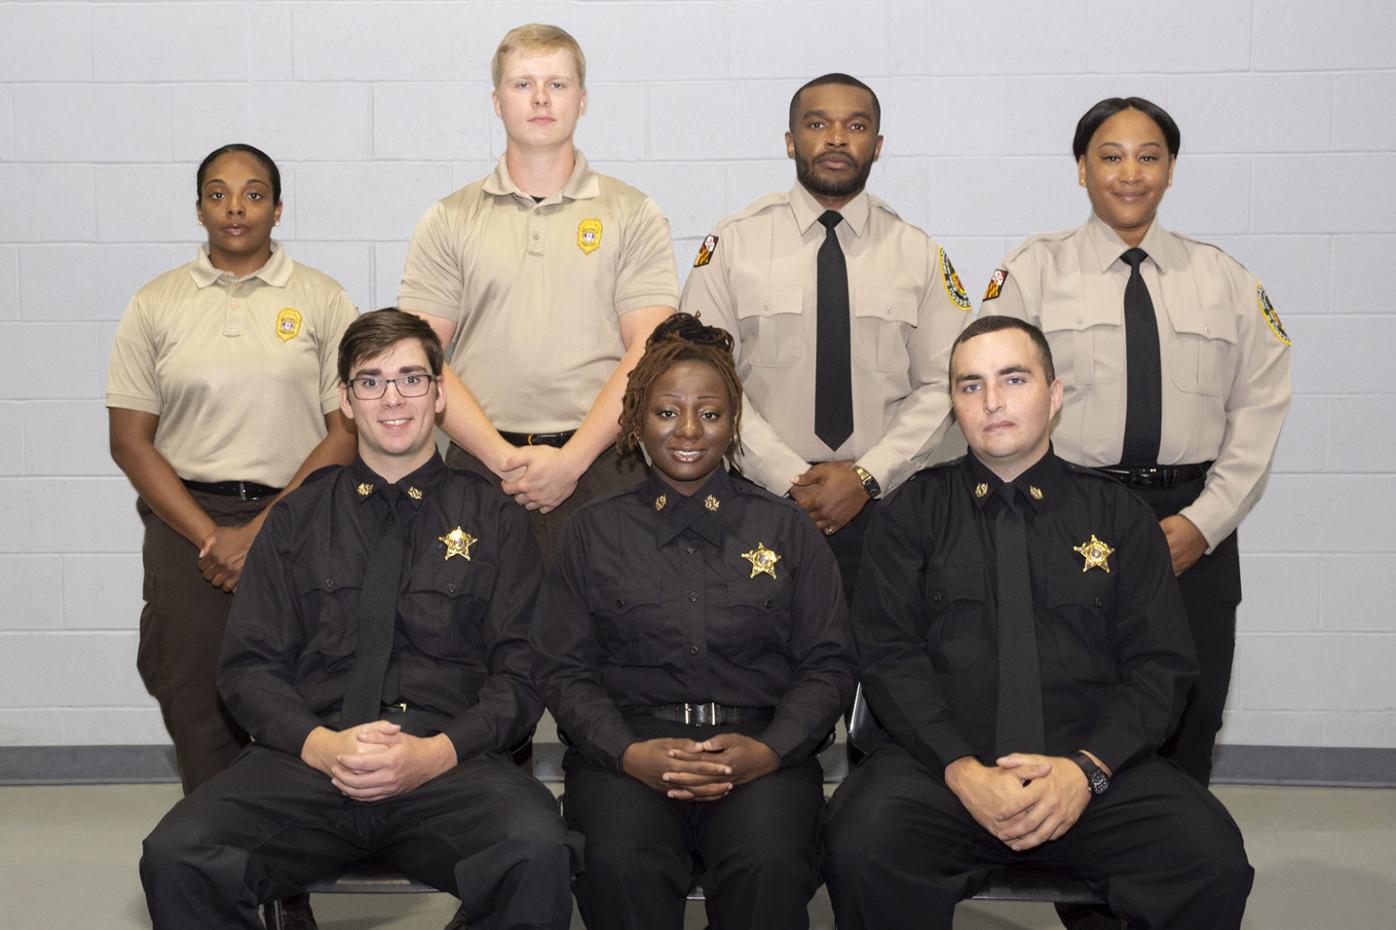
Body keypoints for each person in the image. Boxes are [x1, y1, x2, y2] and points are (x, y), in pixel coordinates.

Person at [140, 309, 577, 930]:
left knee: (538, 853)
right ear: (345, 399)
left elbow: (523, 674)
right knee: (178, 856)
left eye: (411, 378)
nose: (392, 397)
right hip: (311, 757)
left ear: (440, 391)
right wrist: (321, 746)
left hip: (449, 763)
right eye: (370, 381)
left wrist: (435, 754)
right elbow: (248, 668)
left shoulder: (496, 519)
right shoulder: (297, 519)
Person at [822, 316, 1253, 930]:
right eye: (970, 386)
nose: (992, 401)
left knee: (1210, 861)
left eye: (1013, 379)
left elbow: (1161, 666)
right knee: (860, 847)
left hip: (1092, 775)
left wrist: (1088, 770)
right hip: (942, 775)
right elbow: (890, 658)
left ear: (1054, 396)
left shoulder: (1119, 516)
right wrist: (963, 771)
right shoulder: (910, 515)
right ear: (953, 406)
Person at [978, 97, 1292, 789]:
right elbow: (993, 399)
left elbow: (1260, 411)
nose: (1130, 173)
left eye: (1149, 156)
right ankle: (1082, 885)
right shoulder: (1033, 272)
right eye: (1111, 156)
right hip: (1069, 511)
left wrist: (1203, 526)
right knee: (1072, 705)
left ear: (1171, 170)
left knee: (1190, 709)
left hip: (1193, 518)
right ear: (1082, 170)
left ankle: (1175, 871)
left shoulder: (1225, 280)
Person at [531, 314, 857, 930]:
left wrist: (771, 750)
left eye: (709, 413)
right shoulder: (592, 531)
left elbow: (829, 664)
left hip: (762, 755)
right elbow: (562, 669)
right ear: (635, 422)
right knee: (620, 866)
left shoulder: (785, 529)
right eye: (666, 412)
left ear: (733, 424)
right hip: (628, 757)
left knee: (769, 865)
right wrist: (627, 753)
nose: (688, 430)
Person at [108, 143, 356, 928]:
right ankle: (224, 878)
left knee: (296, 699)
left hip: (299, 519)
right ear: (200, 209)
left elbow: (347, 430)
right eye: (219, 194)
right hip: (188, 526)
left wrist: (261, 529)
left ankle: (291, 883)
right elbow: (131, 439)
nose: (236, 207)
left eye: (253, 194)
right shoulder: (157, 302)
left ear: (279, 209)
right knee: (195, 698)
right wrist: (211, 536)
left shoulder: (320, 299)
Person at [679, 72, 971, 601]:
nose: (837, 138)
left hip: (885, 506)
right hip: (756, 500)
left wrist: (865, 478)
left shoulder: (918, 254)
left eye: (855, 126)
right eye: (818, 124)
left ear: (877, 147)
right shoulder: (733, 245)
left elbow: (943, 385)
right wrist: (788, 476)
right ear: (791, 141)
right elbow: (704, 384)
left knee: (879, 661)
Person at [398, 23, 678, 560]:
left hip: (604, 466)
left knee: (605, 641)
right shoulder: (449, 218)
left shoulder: (633, 213)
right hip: (481, 467)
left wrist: (571, 461)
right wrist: (502, 458)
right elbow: (418, 356)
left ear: (583, 99)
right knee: (479, 638)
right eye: (523, 84)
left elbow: (650, 350)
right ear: (497, 101)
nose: (542, 98)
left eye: (558, 83)